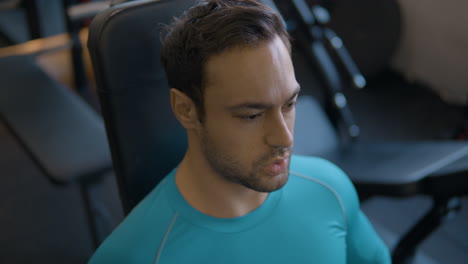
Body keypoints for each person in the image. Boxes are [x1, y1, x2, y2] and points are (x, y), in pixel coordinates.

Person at [89, 0, 391, 263]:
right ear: (186, 109)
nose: (284, 139)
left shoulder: (331, 189)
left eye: (289, 104)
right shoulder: (133, 256)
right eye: (252, 115)